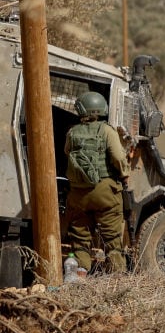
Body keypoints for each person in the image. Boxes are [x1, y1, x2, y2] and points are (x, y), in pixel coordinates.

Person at [63, 91, 130, 273]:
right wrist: (125, 173)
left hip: (78, 193)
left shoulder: (72, 132)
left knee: (79, 238)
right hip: (104, 192)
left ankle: (80, 277)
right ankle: (117, 280)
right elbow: (117, 156)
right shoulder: (107, 130)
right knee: (112, 239)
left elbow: (67, 152)